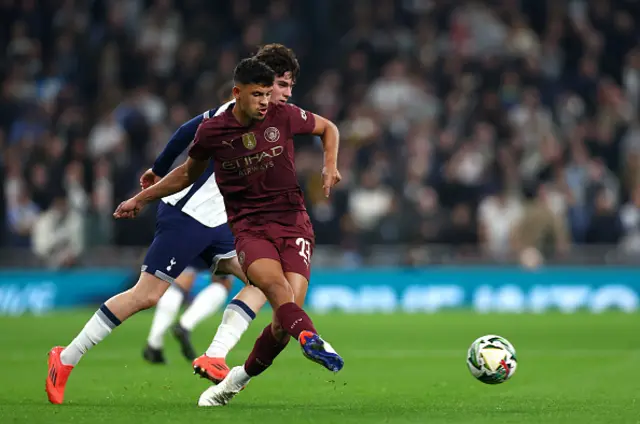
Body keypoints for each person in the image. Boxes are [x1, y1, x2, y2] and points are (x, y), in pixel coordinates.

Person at [113, 57, 344, 406]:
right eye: (260, 93)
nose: (268, 101)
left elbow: (329, 127)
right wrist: (141, 198)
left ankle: (235, 380)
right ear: (238, 93)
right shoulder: (213, 131)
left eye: (271, 92)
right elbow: (186, 173)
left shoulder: (285, 115)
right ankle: (311, 338)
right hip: (250, 229)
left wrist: (330, 167)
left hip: (294, 223)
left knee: (284, 323)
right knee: (275, 288)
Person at [143, 44, 300, 368]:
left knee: (190, 280)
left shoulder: (239, 113)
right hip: (204, 214)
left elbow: (186, 131)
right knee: (188, 283)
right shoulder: (242, 118)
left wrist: (158, 169)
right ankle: (189, 337)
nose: (284, 93)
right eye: (281, 84)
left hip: (208, 215)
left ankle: (163, 342)